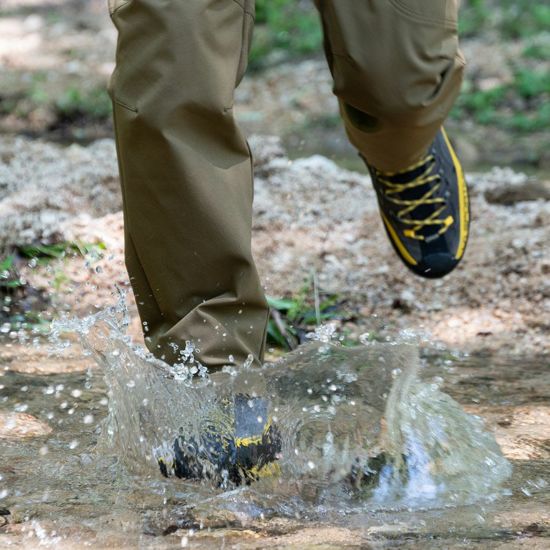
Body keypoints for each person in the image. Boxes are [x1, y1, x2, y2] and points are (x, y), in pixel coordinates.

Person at [107, 0, 469, 481]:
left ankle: (402, 145)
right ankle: (216, 374)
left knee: (398, 87)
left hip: (400, 99)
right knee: (172, 73)